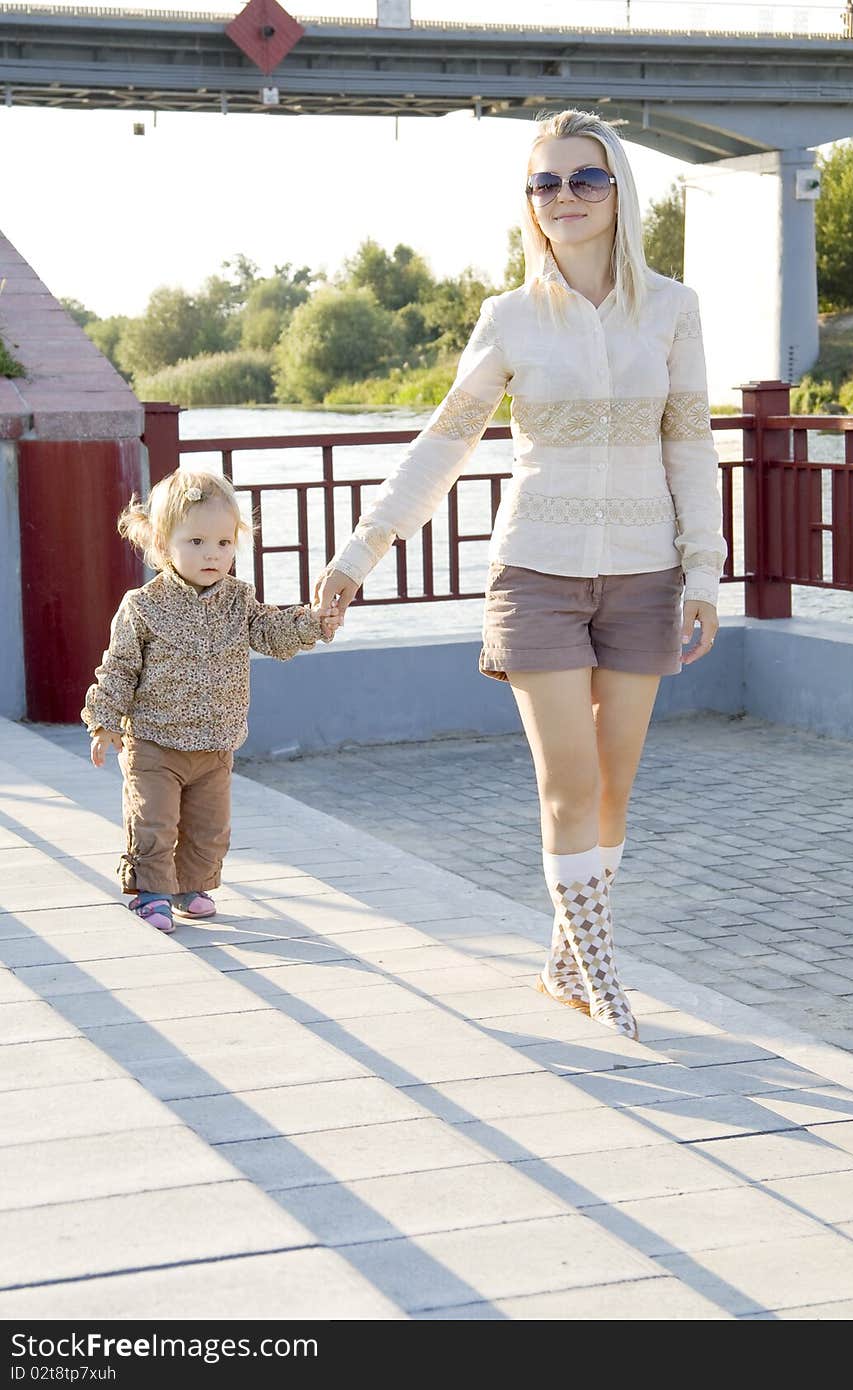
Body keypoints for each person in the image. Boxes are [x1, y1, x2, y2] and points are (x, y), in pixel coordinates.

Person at [315, 109, 727, 1042]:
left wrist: (705, 573)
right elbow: (444, 445)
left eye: (584, 180)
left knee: (615, 784)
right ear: (529, 205)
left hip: (646, 575)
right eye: (546, 185)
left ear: (620, 190)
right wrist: (358, 553)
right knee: (567, 785)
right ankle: (601, 969)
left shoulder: (673, 309)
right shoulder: (508, 318)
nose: (565, 199)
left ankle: (562, 961)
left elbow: (692, 446)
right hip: (535, 572)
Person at [82, 468, 338, 933]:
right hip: (155, 743)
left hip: (216, 742)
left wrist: (313, 622)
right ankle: (152, 892)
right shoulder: (142, 606)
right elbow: (119, 668)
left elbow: (273, 634)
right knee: (155, 822)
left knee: (208, 828)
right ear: (163, 546)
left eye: (223, 543)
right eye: (196, 542)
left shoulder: (239, 601)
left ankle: (188, 886)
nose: (212, 554)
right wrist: (104, 720)